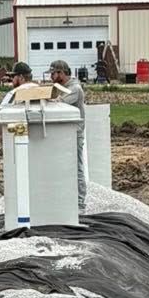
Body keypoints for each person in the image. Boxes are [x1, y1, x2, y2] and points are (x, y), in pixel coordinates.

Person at [47, 58, 88, 211]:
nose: (51, 77)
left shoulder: (74, 89)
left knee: (76, 167)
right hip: (64, 134)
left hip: (74, 133)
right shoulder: (61, 87)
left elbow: (58, 104)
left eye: (53, 74)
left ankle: (80, 203)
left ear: (61, 73)